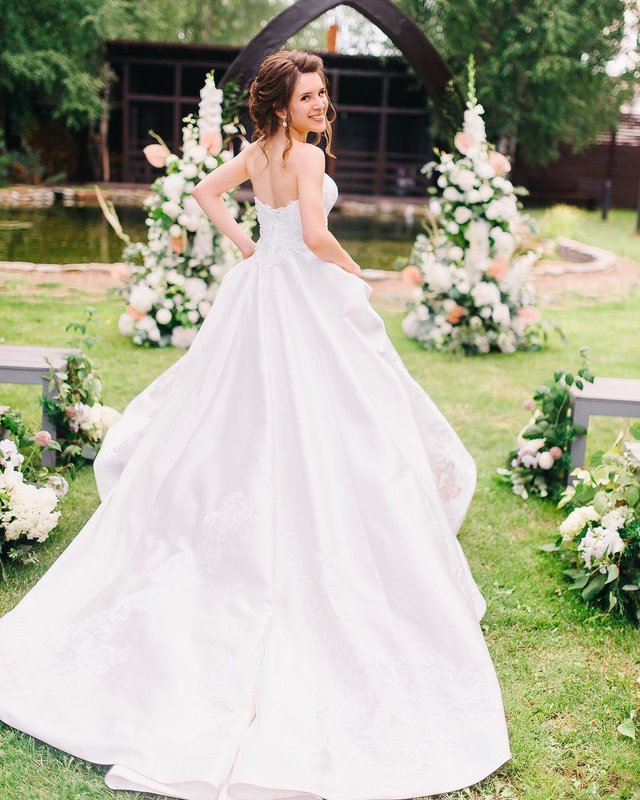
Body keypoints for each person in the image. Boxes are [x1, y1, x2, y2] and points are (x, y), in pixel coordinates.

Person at [0, 48, 511, 800]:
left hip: (258, 294)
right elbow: (310, 234)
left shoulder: (257, 153)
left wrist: (245, 245)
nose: (320, 106)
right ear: (281, 104)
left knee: (243, 415)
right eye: (308, 96)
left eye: (323, 94)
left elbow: (207, 193)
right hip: (297, 293)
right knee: (312, 414)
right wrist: (353, 270)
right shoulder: (302, 159)